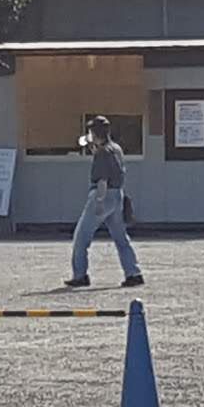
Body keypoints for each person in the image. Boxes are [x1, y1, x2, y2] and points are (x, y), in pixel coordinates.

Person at [66, 115, 145, 289]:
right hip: (118, 195)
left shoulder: (102, 153)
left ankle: (80, 275)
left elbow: (102, 179)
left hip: (102, 194)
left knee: (81, 237)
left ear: (94, 133)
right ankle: (133, 273)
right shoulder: (116, 148)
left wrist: (100, 201)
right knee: (120, 238)